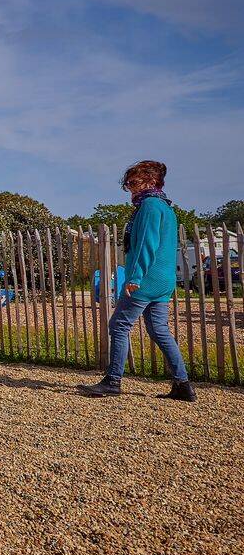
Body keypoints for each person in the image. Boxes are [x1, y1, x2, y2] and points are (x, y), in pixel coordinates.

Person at [80, 160, 195, 401]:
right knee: (159, 330)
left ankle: (113, 381)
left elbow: (145, 244)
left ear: (151, 181)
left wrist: (135, 277)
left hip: (145, 279)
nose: (130, 188)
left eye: (134, 182)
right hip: (163, 280)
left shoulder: (150, 206)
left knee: (119, 325)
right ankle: (182, 384)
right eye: (128, 184)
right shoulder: (166, 206)